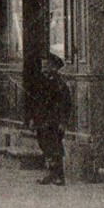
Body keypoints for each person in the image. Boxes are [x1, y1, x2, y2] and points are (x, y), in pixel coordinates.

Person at [28, 52, 73, 186]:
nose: (43, 68)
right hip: (42, 121)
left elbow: (66, 105)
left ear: (53, 67)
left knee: (55, 148)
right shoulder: (42, 83)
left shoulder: (60, 85)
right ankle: (50, 173)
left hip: (54, 122)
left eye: (46, 65)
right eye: (42, 65)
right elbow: (37, 103)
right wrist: (33, 120)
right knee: (45, 146)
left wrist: (63, 122)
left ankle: (58, 175)